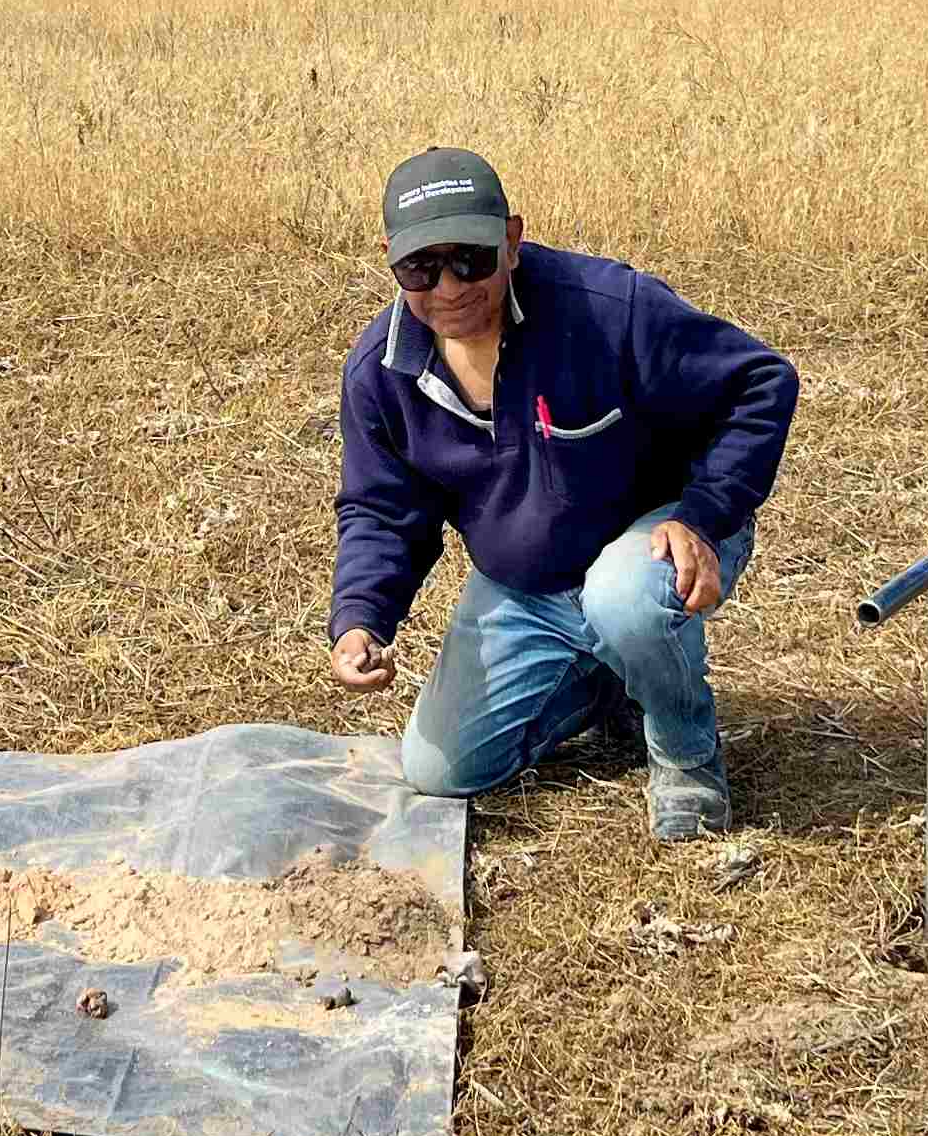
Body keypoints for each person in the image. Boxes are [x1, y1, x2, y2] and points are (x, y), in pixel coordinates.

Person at [328, 148, 798, 840]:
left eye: (471, 259)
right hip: (527, 585)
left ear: (511, 241)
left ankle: (686, 756)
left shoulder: (610, 309)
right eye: (420, 267)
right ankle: (611, 676)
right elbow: (382, 509)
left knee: (624, 599)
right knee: (437, 770)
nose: (449, 286)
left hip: (661, 537)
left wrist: (705, 514)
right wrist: (362, 617)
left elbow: (761, 383)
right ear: (391, 262)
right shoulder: (381, 373)